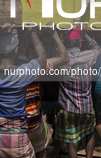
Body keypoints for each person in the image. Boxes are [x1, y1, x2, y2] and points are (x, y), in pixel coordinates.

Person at [0, 24, 46, 157]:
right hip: (17, 136)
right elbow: (42, 59)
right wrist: (32, 33)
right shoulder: (23, 72)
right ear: (16, 50)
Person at [19, 26, 69, 158]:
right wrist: (54, 33)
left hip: (15, 122)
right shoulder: (35, 68)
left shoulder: (2, 69)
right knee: (41, 148)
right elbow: (64, 58)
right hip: (35, 117)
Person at [54, 28, 101, 158]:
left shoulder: (60, 60)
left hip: (69, 108)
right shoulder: (89, 55)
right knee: (89, 133)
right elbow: (98, 49)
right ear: (79, 43)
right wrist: (85, 33)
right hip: (87, 106)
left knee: (72, 140)